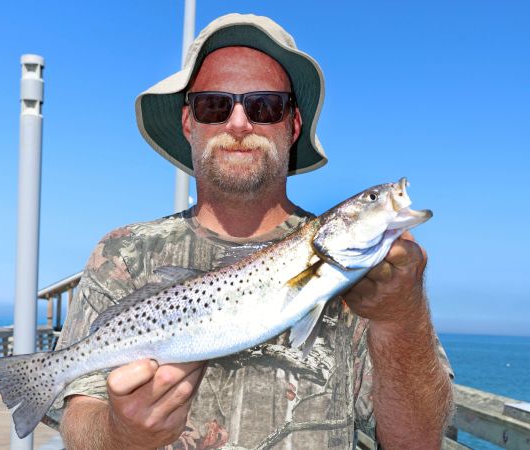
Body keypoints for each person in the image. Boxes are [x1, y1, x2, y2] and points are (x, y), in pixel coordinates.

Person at [45, 13, 454, 450]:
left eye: (265, 106)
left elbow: (419, 442)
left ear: (292, 125)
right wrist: (120, 433)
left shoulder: (372, 285)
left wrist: (400, 319)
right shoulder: (123, 254)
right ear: (189, 123)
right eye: (214, 105)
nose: (239, 124)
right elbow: (79, 422)